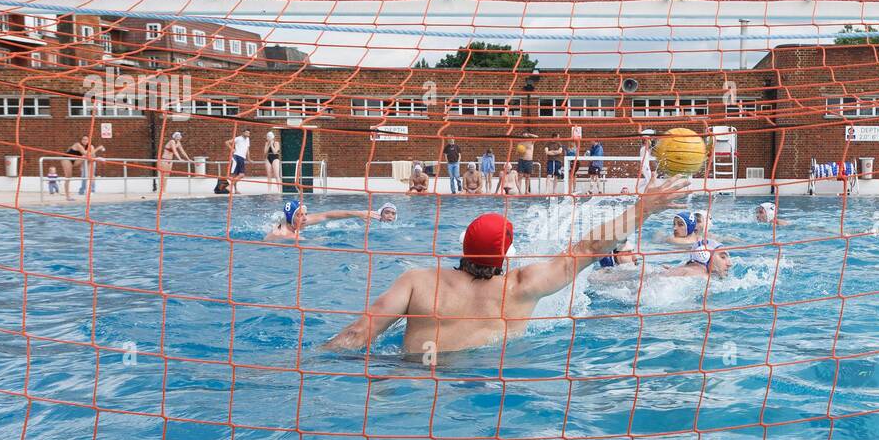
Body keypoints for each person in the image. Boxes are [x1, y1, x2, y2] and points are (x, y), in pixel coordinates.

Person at [325, 176, 691, 356]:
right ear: (506, 255)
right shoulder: (523, 286)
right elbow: (590, 247)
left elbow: (357, 336)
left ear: (463, 245)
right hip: (490, 385)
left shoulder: (418, 282)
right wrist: (644, 208)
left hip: (411, 380)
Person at [266, 200, 396, 242]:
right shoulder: (289, 236)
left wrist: (357, 213)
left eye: (306, 214)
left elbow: (328, 215)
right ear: (290, 218)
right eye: (300, 215)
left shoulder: (292, 223)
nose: (305, 218)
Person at [659, 239, 733, 279]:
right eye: (723, 257)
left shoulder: (682, 269)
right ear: (704, 255)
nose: (730, 264)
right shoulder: (702, 277)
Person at [159, 131, 191, 195]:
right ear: (175, 136)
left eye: (180, 136)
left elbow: (182, 152)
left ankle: (164, 190)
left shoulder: (178, 143)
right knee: (163, 176)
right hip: (164, 160)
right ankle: (161, 190)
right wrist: (180, 159)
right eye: (178, 136)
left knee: (167, 176)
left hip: (170, 161)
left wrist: (189, 159)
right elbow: (174, 150)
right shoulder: (172, 141)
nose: (179, 137)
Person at [226, 129, 251, 194]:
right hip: (237, 156)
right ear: (243, 133)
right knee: (241, 175)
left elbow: (247, 150)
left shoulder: (248, 139)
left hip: (242, 158)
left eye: (249, 133)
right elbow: (227, 142)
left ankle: (235, 190)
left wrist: (248, 158)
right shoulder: (238, 138)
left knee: (236, 175)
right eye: (247, 133)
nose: (248, 135)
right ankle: (229, 186)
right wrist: (232, 149)